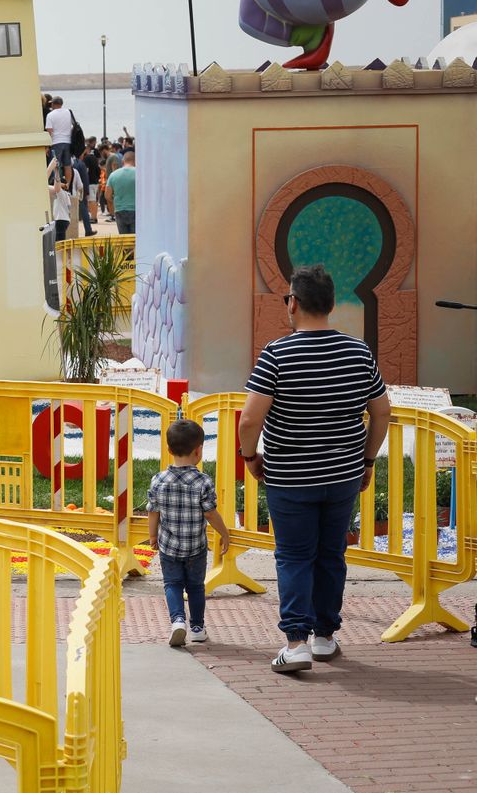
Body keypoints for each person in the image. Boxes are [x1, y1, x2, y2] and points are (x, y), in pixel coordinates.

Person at [239, 265, 389, 674]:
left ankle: (296, 643)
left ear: (294, 303)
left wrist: (250, 457)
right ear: (332, 304)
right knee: (330, 556)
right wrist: (368, 459)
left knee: (293, 557)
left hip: (290, 478)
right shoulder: (359, 352)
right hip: (343, 475)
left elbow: (250, 420)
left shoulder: (276, 354)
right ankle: (325, 637)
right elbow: (381, 412)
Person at [147, 419, 233, 647]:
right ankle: (197, 627)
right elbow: (211, 513)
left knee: (172, 584)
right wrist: (224, 534)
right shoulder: (202, 481)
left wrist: (153, 536)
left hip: (169, 546)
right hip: (196, 546)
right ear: (199, 451)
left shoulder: (158, 480)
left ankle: (177, 621)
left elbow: (153, 512)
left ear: (168, 450)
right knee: (195, 586)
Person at [108, 150, 137, 235]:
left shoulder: (113, 175)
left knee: (123, 240)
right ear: (135, 161)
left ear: (123, 161)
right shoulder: (140, 173)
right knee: (135, 240)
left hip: (119, 210)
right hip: (136, 210)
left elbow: (107, 195)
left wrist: (116, 201)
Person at [45, 95, 75, 173]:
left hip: (56, 142)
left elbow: (49, 131)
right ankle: (68, 184)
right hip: (68, 142)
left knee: (54, 165)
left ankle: (56, 183)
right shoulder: (68, 112)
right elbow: (73, 126)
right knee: (67, 165)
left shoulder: (50, 115)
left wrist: (47, 146)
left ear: (53, 104)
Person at [48, 161, 72, 242]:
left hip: (60, 220)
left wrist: (56, 171)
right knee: (59, 241)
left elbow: (57, 187)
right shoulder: (66, 194)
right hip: (64, 220)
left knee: (59, 243)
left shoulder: (61, 193)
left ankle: (60, 255)